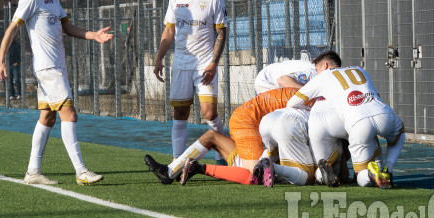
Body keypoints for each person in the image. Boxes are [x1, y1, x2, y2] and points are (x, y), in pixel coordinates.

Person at [0, 0, 112, 186]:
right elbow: (11, 29)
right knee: (69, 113)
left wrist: (93, 35)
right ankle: (81, 171)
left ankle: (33, 172)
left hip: (57, 67)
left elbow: (68, 28)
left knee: (47, 118)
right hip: (48, 68)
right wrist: (0, 60)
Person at [287, 51, 405, 189]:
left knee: (358, 174)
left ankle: (363, 175)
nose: (316, 73)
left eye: (317, 69)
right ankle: (388, 170)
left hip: (352, 122)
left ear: (324, 66)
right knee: (398, 134)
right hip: (382, 114)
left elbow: (292, 102)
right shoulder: (360, 70)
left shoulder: (323, 77)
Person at [144, 87, 304, 187]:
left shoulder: (304, 92)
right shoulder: (308, 97)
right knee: (250, 173)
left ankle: (182, 170)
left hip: (250, 128)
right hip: (251, 129)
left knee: (213, 137)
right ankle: (183, 169)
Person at [154, 0, 227, 163]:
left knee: (209, 112)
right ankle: (177, 160)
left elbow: (221, 33)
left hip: (205, 64)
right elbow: (169, 30)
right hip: (181, 64)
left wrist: (214, 62)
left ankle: (221, 155)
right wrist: (159, 58)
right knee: (180, 113)